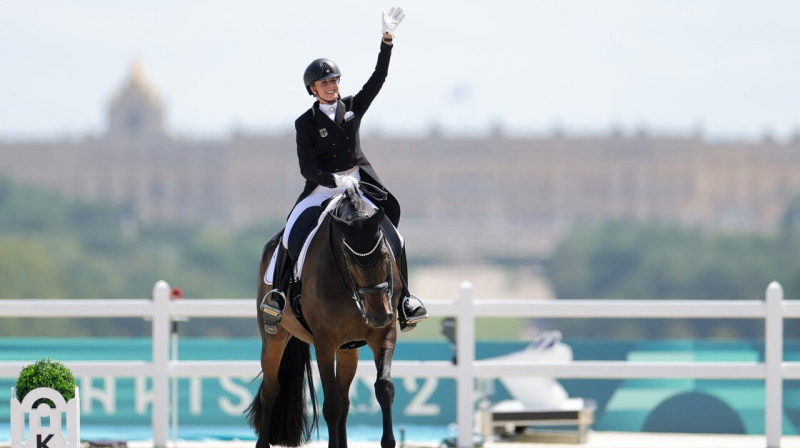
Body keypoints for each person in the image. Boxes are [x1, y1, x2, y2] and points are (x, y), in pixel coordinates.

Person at [261, 7, 427, 334]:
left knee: (396, 237)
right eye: (324, 83)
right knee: (292, 232)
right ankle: (279, 295)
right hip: (323, 187)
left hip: (358, 182)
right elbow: (307, 167)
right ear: (313, 89)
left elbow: (378, 80)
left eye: (334, 80)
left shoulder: (351, 108)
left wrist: (387, 41)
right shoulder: (305, 123)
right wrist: (330, 180)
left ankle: (406, 299)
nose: (331, 86)